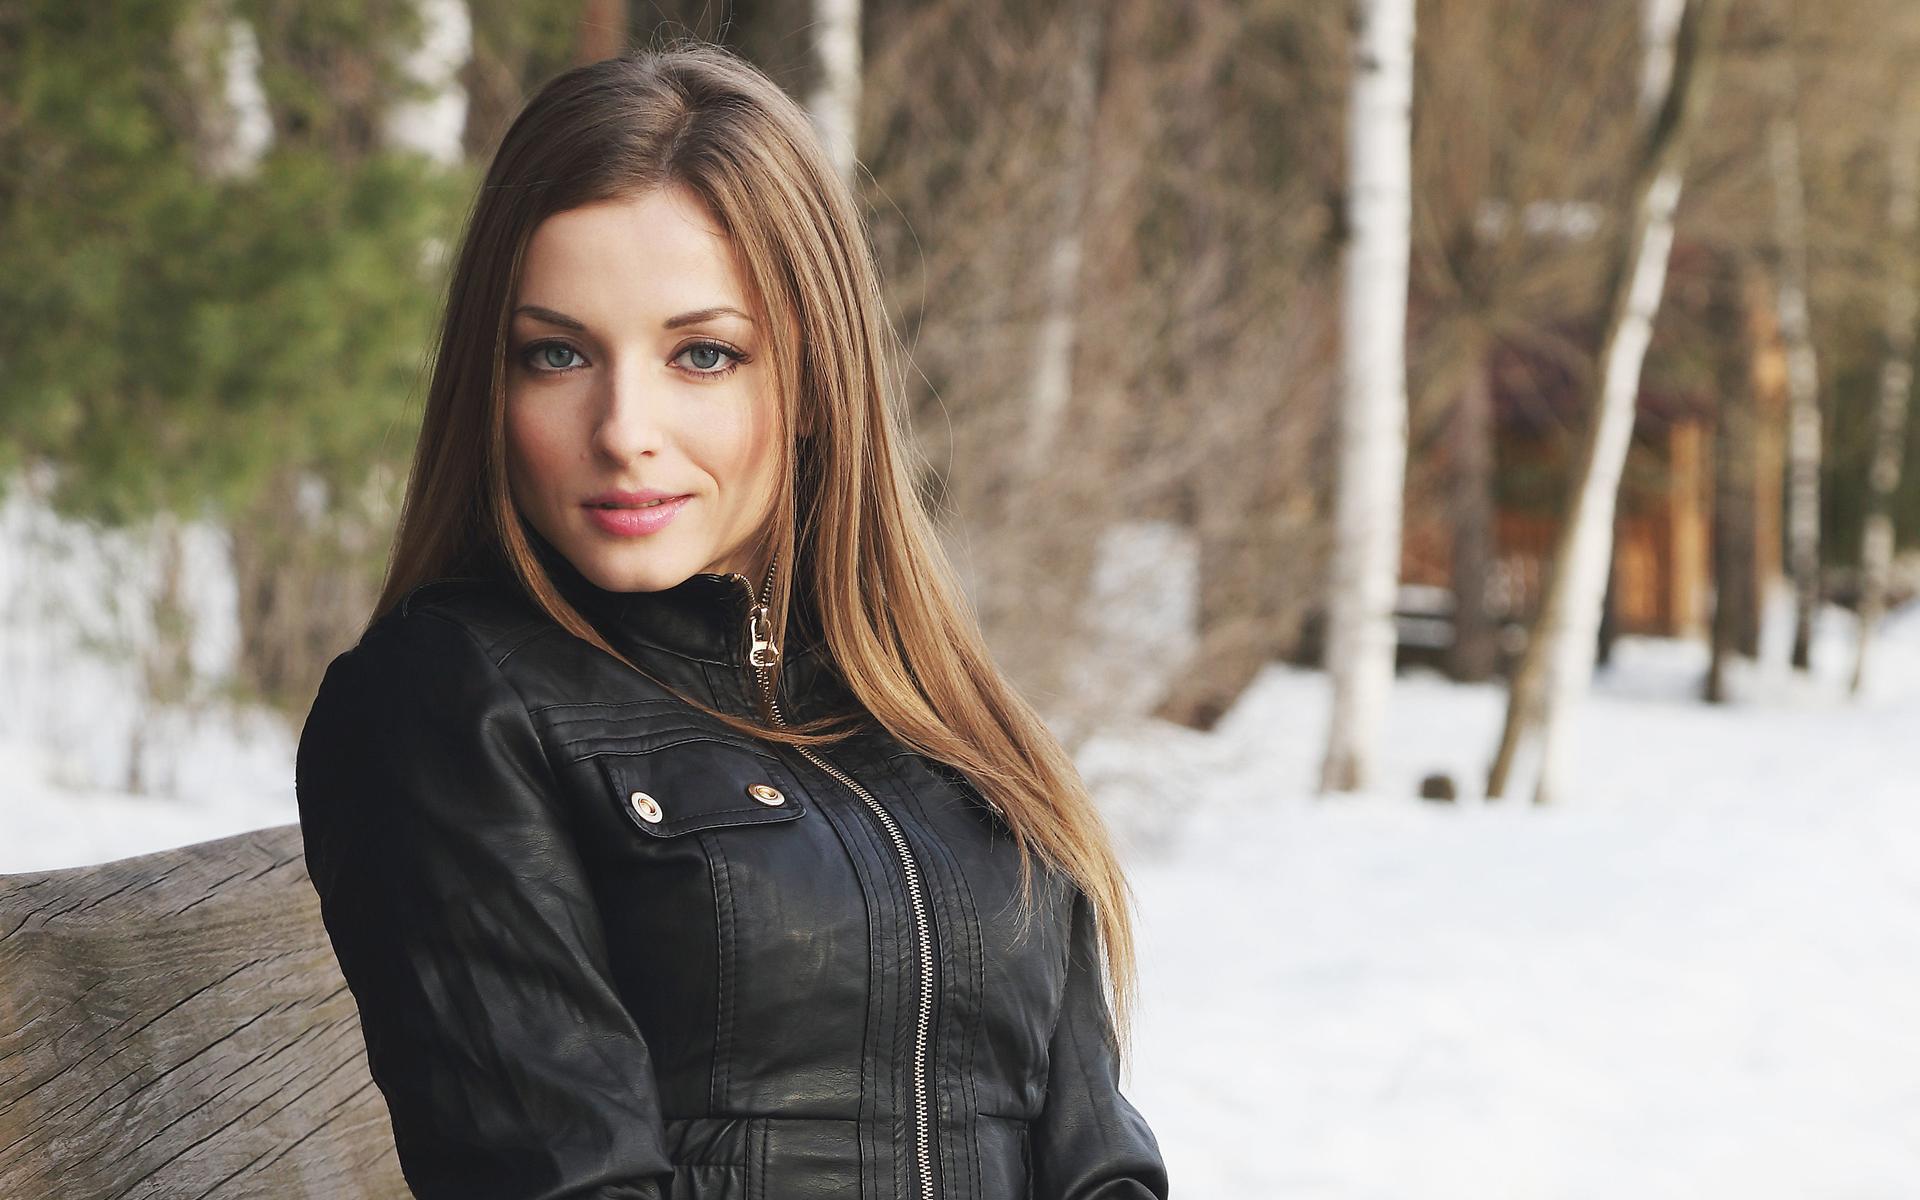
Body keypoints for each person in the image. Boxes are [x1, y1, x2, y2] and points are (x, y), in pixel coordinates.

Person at [294, 40, 1169, 1200]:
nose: (624, 429)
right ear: (489, 384)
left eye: (702, 355)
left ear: (811, 379)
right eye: (555, 354)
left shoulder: (934, 716)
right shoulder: (451, 702)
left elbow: (1098, 1163)